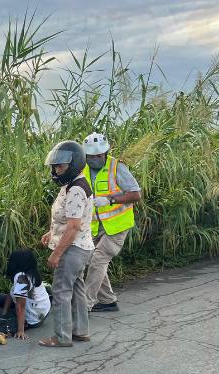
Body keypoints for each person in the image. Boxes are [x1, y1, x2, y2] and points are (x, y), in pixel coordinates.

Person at [39, 141, 94, 348]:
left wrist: (56, 254)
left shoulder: (75, 190)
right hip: (82, 246)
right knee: (77, 287)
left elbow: (73, 227)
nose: (56, 170)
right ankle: (81, 331)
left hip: (73, 248)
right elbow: (71, 219)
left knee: (61, 290)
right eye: (55, 166)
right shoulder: (73, 185)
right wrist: (51, 232)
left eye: (60, 166)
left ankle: (61, 337)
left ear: (74, 164)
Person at [81, 132, 142, 312]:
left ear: (105, 153)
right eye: (91, 156)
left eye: (98, 155)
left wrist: (110, 199)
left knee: (98, 260)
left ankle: (85, 305)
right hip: (95, 226)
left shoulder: (116, 167)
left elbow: (136, 194)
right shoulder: (82, 169)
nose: (95, 159)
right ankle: (108, 301)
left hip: (117, 226)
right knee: (93, 259)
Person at [0, 249, 51, 340]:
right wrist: (4, 313)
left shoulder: (22, 278)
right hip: (44, 311)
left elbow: (20, 306)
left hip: (34, 319)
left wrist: (21, 331)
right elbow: (11, 292)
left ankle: (25, 324)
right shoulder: (31, 272)